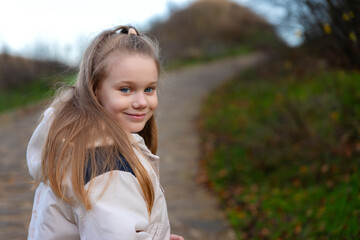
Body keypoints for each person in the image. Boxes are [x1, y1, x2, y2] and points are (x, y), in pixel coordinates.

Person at [26, 25, 184, 240]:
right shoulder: (108, 167)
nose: (140, 102)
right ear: (96, 90)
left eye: (149, 89)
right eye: (125, 89)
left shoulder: (76, 140)